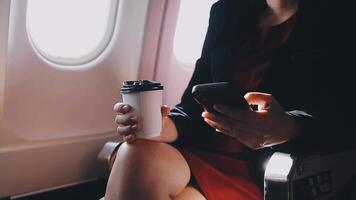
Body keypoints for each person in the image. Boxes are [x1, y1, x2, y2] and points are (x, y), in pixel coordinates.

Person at [105, 0, 354, 199]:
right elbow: (195, 104)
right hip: (201, 152)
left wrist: (290, 127)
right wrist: (163, 127)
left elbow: (345, 117)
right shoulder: (226, 12)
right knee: (135, 153)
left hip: (265, 170)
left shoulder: (341, 16)